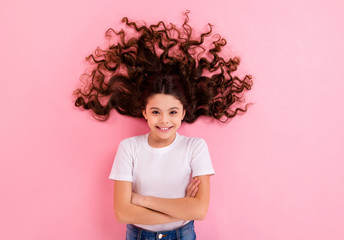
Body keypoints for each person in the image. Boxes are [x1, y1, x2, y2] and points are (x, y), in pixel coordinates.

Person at [73, 11, 252, 240]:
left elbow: (199, 210)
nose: (164, 120)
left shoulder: (195, 147)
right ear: (144, 112)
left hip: (183, 235)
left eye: (173, 112)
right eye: (156, 112)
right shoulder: (129, 148)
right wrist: (181, 208)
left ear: (183, 113)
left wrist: (140, 199)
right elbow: (122, 212)